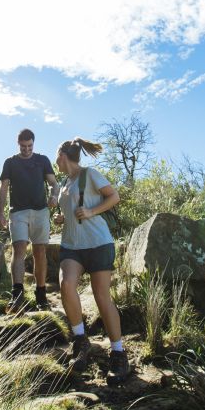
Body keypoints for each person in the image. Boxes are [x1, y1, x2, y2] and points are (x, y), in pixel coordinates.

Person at [53, 137, 130, 386]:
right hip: (71, 246)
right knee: (66, 285)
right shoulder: (65, 183)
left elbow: (114, 197)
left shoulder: (90, 174)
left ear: (63, 155)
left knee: (101, 297)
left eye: (57, 157)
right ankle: (80, 340)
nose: (56, 162)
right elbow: (72, 210)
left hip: (98, 244)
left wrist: (90, 212)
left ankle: (118, 353)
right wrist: (63, 219)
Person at [0, 128, 59, 313]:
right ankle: (17, 296)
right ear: (18, 144)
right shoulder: (10, 162)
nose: (27, 149)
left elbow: (54, 184)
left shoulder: (42, 160)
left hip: (40, 211)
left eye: (30, 146)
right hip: (18, 212)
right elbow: (3, 188)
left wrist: (54, 197)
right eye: (23, 147)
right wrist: (0, 213)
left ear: (34, 143)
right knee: (19, 249)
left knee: (40, 252)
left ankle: (41, 296)